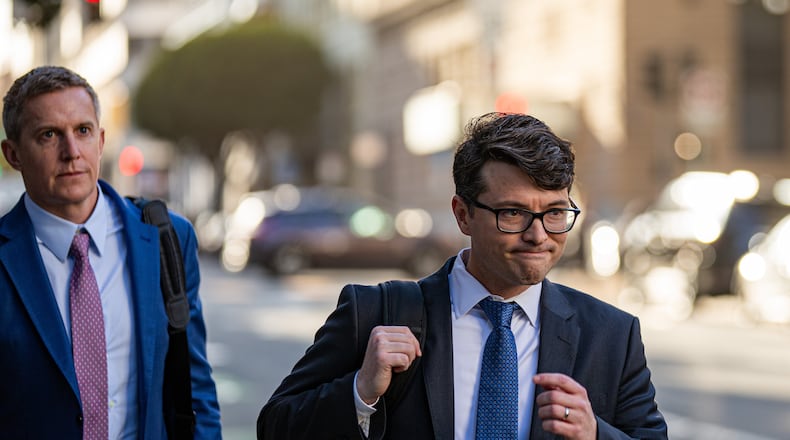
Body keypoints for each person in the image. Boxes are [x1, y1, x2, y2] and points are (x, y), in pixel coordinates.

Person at [257, 112, 667, 439]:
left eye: (555, 213)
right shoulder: (376, 312)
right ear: (462, 214)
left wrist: (595, 434)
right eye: (514, 213)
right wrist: (360, 392)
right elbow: (275, 426)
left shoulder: (612, 334)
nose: (538, 235)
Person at [0, 65, 222, 438]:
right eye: (49, 135)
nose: (71, 152)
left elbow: (194, 386)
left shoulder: (168, 239)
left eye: (82, 131)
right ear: (14, 154)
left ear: (101, 141)